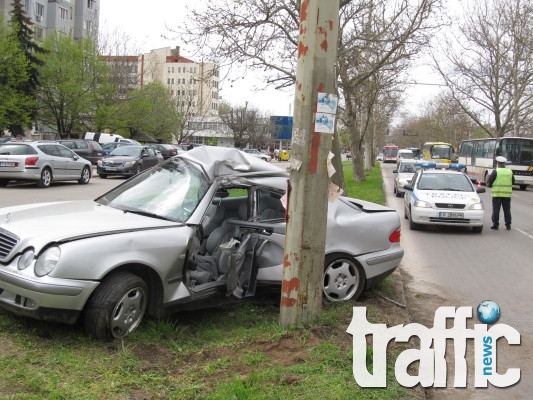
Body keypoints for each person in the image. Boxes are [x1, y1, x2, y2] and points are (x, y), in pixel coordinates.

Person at [487, 156, 515, 230]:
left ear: (498, 163)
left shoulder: (496, 171)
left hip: (497, 194)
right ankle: (508, 225)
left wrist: (490, 185)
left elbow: (490, 182)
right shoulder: (509, 171)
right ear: (504, 163)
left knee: (496, 210)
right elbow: (513, 181)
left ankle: (496, 224)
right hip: (507, 195)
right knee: (507, 210)